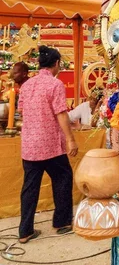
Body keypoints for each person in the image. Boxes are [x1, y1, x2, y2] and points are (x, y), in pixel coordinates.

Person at [17, 46, 78, 244]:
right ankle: (62, 223)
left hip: (30, 145)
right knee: (63, 178)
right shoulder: (55, 84)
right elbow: (61, 113)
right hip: (50, 144)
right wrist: (70, 139)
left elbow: (22, 113)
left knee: (30, 187)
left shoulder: (27, 85)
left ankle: (25, 231)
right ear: (57, 63)